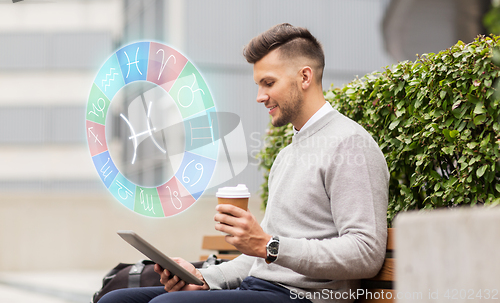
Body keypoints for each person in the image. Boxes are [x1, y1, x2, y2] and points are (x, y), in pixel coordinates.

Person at [99, 23, 389, 303]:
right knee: (117, 299)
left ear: (304, 77)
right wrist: (202, 277)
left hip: (304, 298)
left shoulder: (350, 143)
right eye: (258, 84)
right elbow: (259, 256)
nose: (260, 96)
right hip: (261, 289)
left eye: (269, 83)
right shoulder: (290, 152)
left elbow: (366, 253)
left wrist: (269, 245)